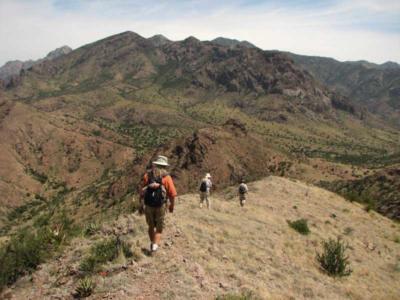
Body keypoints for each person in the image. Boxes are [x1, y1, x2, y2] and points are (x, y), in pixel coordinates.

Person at [139, 155, 177, 253]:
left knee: (151, 226)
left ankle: (152, 242)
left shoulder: (147, 176)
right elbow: (172, 194)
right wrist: (171, 206)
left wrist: (141, 204)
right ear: (165, 166)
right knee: (159, 228)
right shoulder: (167, 178)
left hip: (148, 205)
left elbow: (142, 192)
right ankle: (155, 246)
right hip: (161, 206)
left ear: (155, 164)